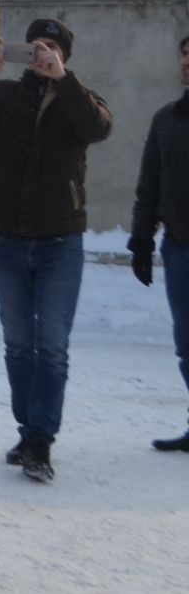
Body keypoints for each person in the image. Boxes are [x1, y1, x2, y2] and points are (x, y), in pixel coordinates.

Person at [0, 17, 112, 483]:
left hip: (60, 243)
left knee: (51, 346)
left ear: (65, 57)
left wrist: (64, 81)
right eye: (35, 45)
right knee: (18, 344)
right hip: (9, 240)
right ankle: (28, 429)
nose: (41, 53)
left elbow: (98, 129)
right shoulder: (6, 97)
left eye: (51, 47)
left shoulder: (81, 100)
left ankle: (40, 440)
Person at [129, 33, 189, 453]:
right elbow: (149, 185)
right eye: (185, 54)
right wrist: (141, 241)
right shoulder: (167, 119)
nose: (187, 61)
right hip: (180, 248)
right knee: (187, 346)